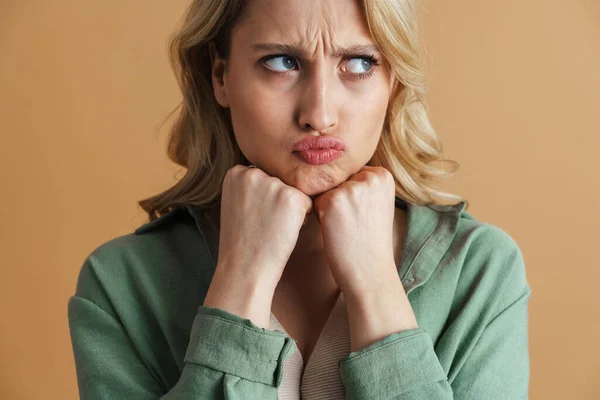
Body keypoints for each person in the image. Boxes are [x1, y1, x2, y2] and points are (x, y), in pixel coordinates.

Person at [67, 0, 532, 399]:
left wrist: (375, 285)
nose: (320, 114)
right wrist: (242, 277)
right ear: (221, 76)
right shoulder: (121, 284)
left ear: (393, 80)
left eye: (359, 63)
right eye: (282, 62)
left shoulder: (481, 271)